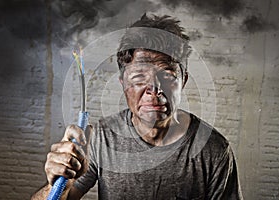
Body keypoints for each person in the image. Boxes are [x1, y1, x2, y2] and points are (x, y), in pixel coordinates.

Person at [32, 14, 243, 200]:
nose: (154, 89)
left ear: (183, 80)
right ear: (123, 83)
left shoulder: (214, 150)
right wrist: (59, 185)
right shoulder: (100, 138)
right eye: (139, 77)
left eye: (167, 75)